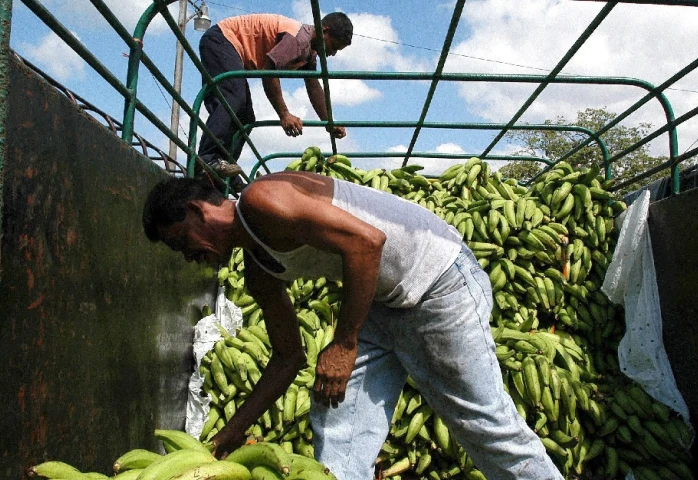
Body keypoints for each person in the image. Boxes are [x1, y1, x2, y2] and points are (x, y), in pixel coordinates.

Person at [142, 172, 564, 480]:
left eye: (181, 241)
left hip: (437, 281)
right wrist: (230, 434)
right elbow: (287, 358)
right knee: (336, 421)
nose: (187, 255)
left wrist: (344, 344)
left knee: (482, 423)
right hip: (380, 302)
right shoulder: (259, 272)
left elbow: (367, 241)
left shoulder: (261, 200)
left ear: (198, 210)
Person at [196, 12, 352, 178]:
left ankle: (224, 170)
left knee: (246, 118)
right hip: (222, 39)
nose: (333, 53)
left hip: (230, 47)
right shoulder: (297, 39)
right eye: (334, 46)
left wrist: (328, 122)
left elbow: (313, 85)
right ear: (324, 31)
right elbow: (269, 72)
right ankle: (208, 159)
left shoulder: (309, 52)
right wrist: (284, 114)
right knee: (233, 98)